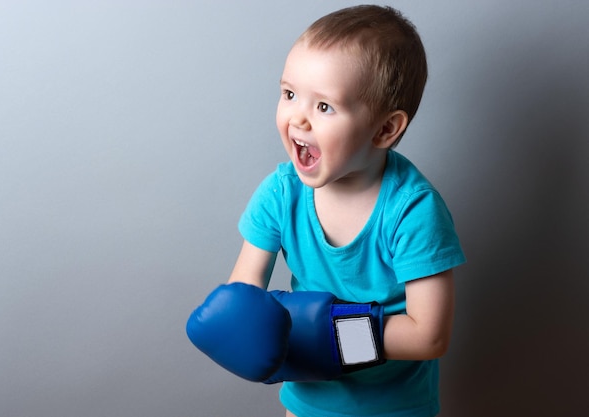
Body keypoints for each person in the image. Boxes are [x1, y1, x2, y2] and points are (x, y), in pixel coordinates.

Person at [190, 5, 466, 417]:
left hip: (394, 408)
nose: (298, 116)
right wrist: (239, 329)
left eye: (324, 106)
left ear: (385, 129)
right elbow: (244, 298)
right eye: (289, 94)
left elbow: (430, 337)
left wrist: (333, 334)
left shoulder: (413, 210)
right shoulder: (281, 195)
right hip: (307, 402)